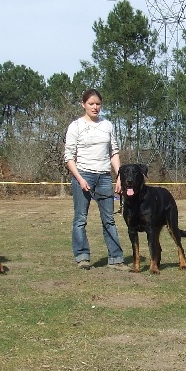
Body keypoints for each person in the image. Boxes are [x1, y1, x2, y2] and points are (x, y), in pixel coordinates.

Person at [64, 88, 127, 270]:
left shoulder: (107, 125)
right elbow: (69, 157)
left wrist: (119, 176)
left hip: (104, 177)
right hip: (83, 176)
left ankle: (116, 258)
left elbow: (113, 152)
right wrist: (80, 179)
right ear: (83, 104)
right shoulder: (75, 126)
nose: (95, 107)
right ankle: (82, 257)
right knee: (80, 219)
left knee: (109, 219)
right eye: (91, 103)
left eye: (98, 104)